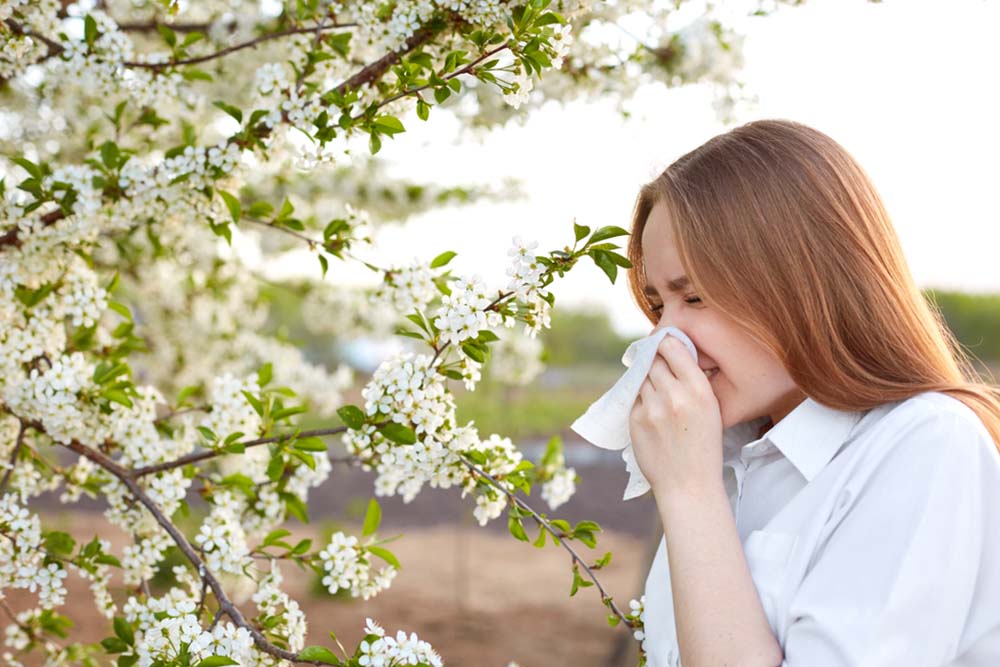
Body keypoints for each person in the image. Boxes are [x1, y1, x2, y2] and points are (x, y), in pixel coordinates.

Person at [624, 118, 1000, 667]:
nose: (665, 339)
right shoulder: (726, 458)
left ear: (802, 283)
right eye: (658, 305)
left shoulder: (925, 445)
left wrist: (688, 495)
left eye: (695, 298)